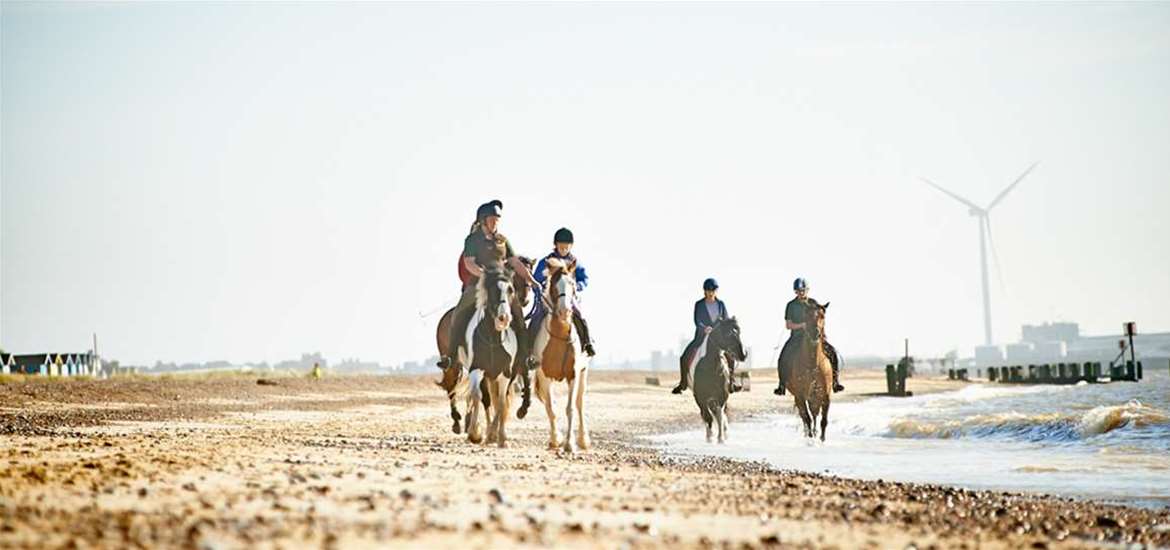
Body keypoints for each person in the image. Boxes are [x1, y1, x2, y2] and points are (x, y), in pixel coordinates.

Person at [438, 200, 539, 370]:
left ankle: (526, 356)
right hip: (478, 285)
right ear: (483, 221)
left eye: (497, 220)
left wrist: (531, 280)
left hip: (501, 286)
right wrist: (484, 274)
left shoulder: (503, 240)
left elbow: (515, 262)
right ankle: (451, 355)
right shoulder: (472, 240)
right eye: (492, 220)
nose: (495, 223)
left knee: (518, 316)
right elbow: (469, 263)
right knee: (459, 313)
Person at [527, 227, 596, 364]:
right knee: (536, 318)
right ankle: (529, 352)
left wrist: (578, 286)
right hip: (548, 299)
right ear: (555, 245)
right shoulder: (546, 261)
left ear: (571, 246)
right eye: (561, 246)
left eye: (566, 247)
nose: (564, 249)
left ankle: (587, 343)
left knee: (580, 315)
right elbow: (536, 279)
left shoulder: (574, 262)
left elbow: (585, 279)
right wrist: (540, 289)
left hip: (569, 299)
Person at [774, 277, 843, 395]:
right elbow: (788, 325)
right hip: (797, 337)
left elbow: (820, 317)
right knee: (783, 357)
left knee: (832, 352)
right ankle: (781, 385)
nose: (801, 293)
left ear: (807, 290)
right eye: (798, 291)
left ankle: (835, 382)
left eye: (803, 290)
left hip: (814, 336)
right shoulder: (791, 305)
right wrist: (802, 325)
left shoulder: (813, 303)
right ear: (795, 292)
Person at [672, 278, 741, 394]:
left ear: (716, 291)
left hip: (719, 338)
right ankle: (683, 383)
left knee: (731, 356)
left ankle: (731, 382)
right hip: (702, 336)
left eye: (712, 290)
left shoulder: (721, 304)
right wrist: (704, 328)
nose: (710, 293)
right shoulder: (699, 305)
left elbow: (726, 320)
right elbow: (697, 320)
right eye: (708, 290)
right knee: (683, 357)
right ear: (704, 291)